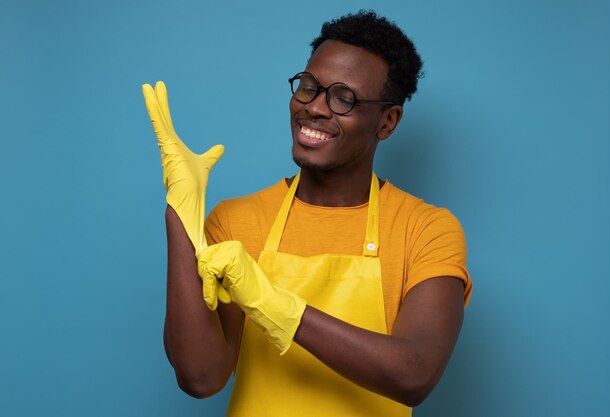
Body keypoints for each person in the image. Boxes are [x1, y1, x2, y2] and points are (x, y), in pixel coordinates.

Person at [143, 10, 472, 417]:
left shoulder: (425, 230)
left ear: (387, 121)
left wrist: (273, 304)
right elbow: (200, 378)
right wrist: (181, 211)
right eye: (309, 87)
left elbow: (414, 374)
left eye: (344, 97)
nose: (314, 108)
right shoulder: (236, 221)